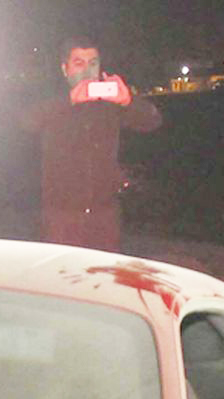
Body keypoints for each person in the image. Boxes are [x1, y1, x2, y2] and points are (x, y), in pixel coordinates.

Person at [20, 36, 162, 252]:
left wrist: (127, 100)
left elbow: (152, 121)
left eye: (93, 63)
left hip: (105, 212)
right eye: (78, 63)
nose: (87, 70)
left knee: (103, 275)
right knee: (64, 276)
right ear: (64, 68)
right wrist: (69, 101)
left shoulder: (109, 103)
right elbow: (26, 122)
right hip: (61, 214)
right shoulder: (50, 100)